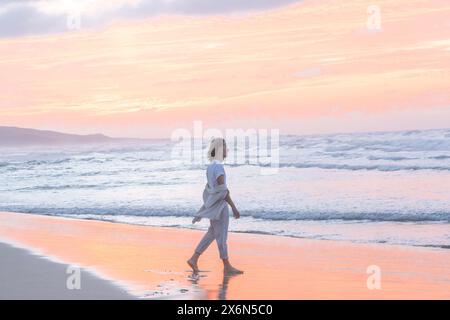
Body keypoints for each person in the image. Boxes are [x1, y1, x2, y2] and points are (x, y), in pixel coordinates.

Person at [187, 138, 244, 275]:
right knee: (221, 236)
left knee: (212, 233)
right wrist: (233, 207)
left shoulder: (211, 166)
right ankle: (227, 266)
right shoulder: (218, 167)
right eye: (224, 147)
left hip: (214, 205)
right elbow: (222, 190)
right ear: (219, 150)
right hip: (220, 206)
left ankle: (194, 258)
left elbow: (212, 189)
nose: (226, 150)